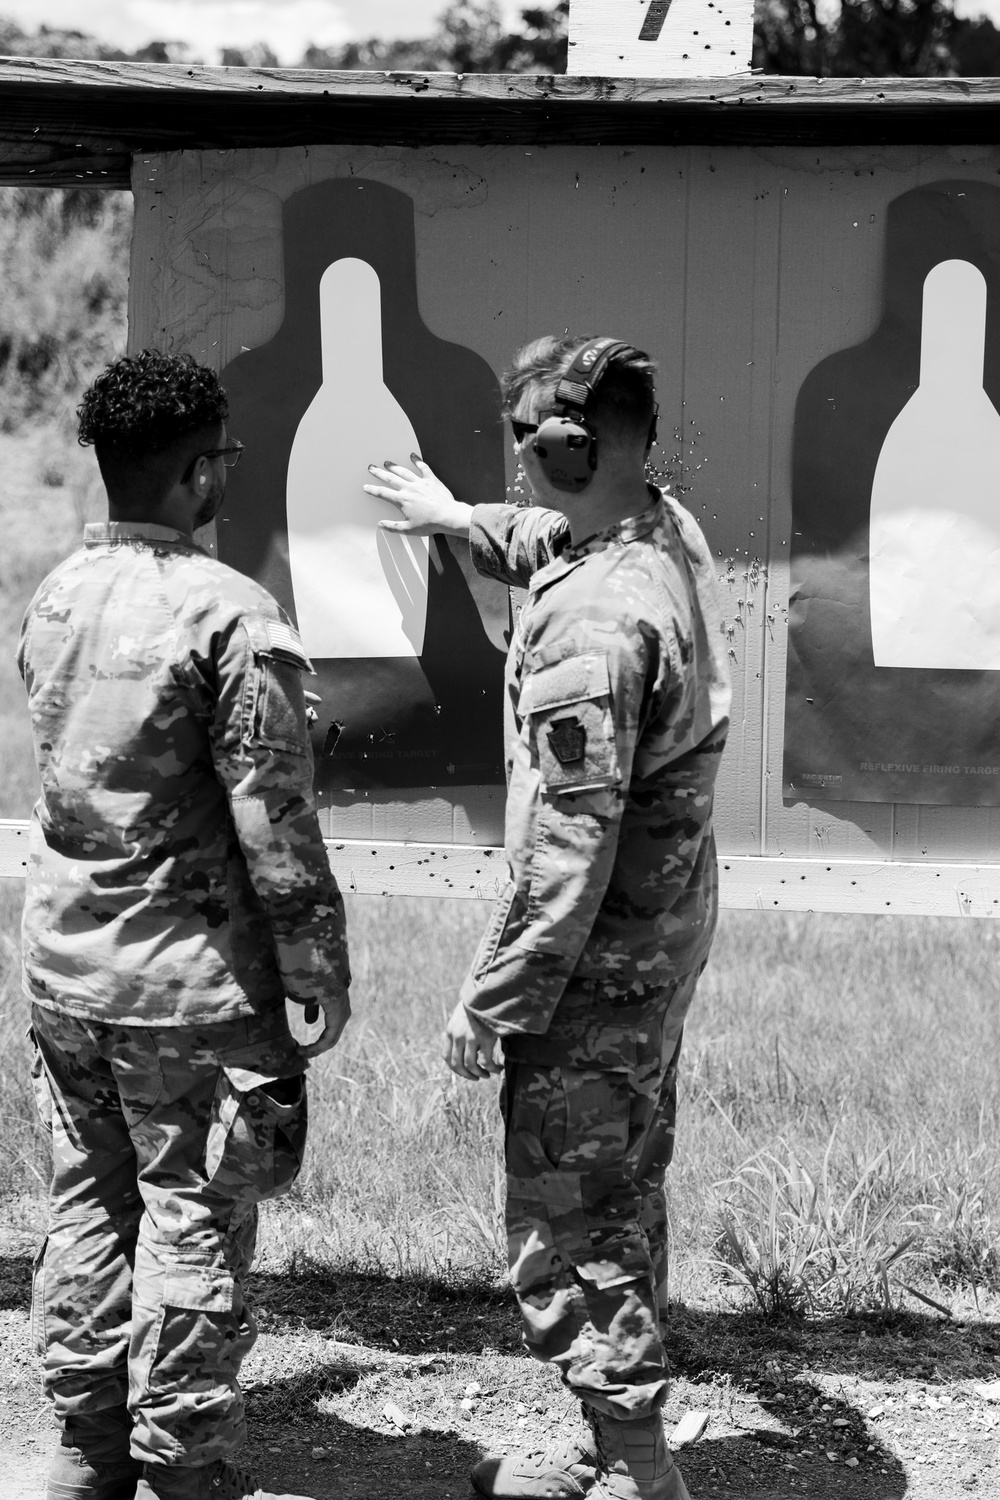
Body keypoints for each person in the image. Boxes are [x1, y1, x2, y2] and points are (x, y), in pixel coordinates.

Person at [365, 335, 731, 1500]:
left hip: (593, 960)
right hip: (655, 937)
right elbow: (551, 541)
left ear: (570, 446)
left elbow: (568, 848)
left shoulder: (595, 629)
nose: (515, 458)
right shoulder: (658, 533)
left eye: (526, 439)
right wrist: (449, 515)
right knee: (623, 1178)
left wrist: (494, 998)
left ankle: (633, 1468)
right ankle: (621, 1438)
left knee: (572, 1211)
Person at [19, 351, 351, 1500]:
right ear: (198, 472)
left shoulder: (55, 595)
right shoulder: (231, 615)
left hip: (66, 969)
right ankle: (182, 1464)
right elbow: (275, 823)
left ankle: (82, 1452)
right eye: (226, 461)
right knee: (193, 1215)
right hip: (188, 986)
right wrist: (317, 966)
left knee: (86, 1203)